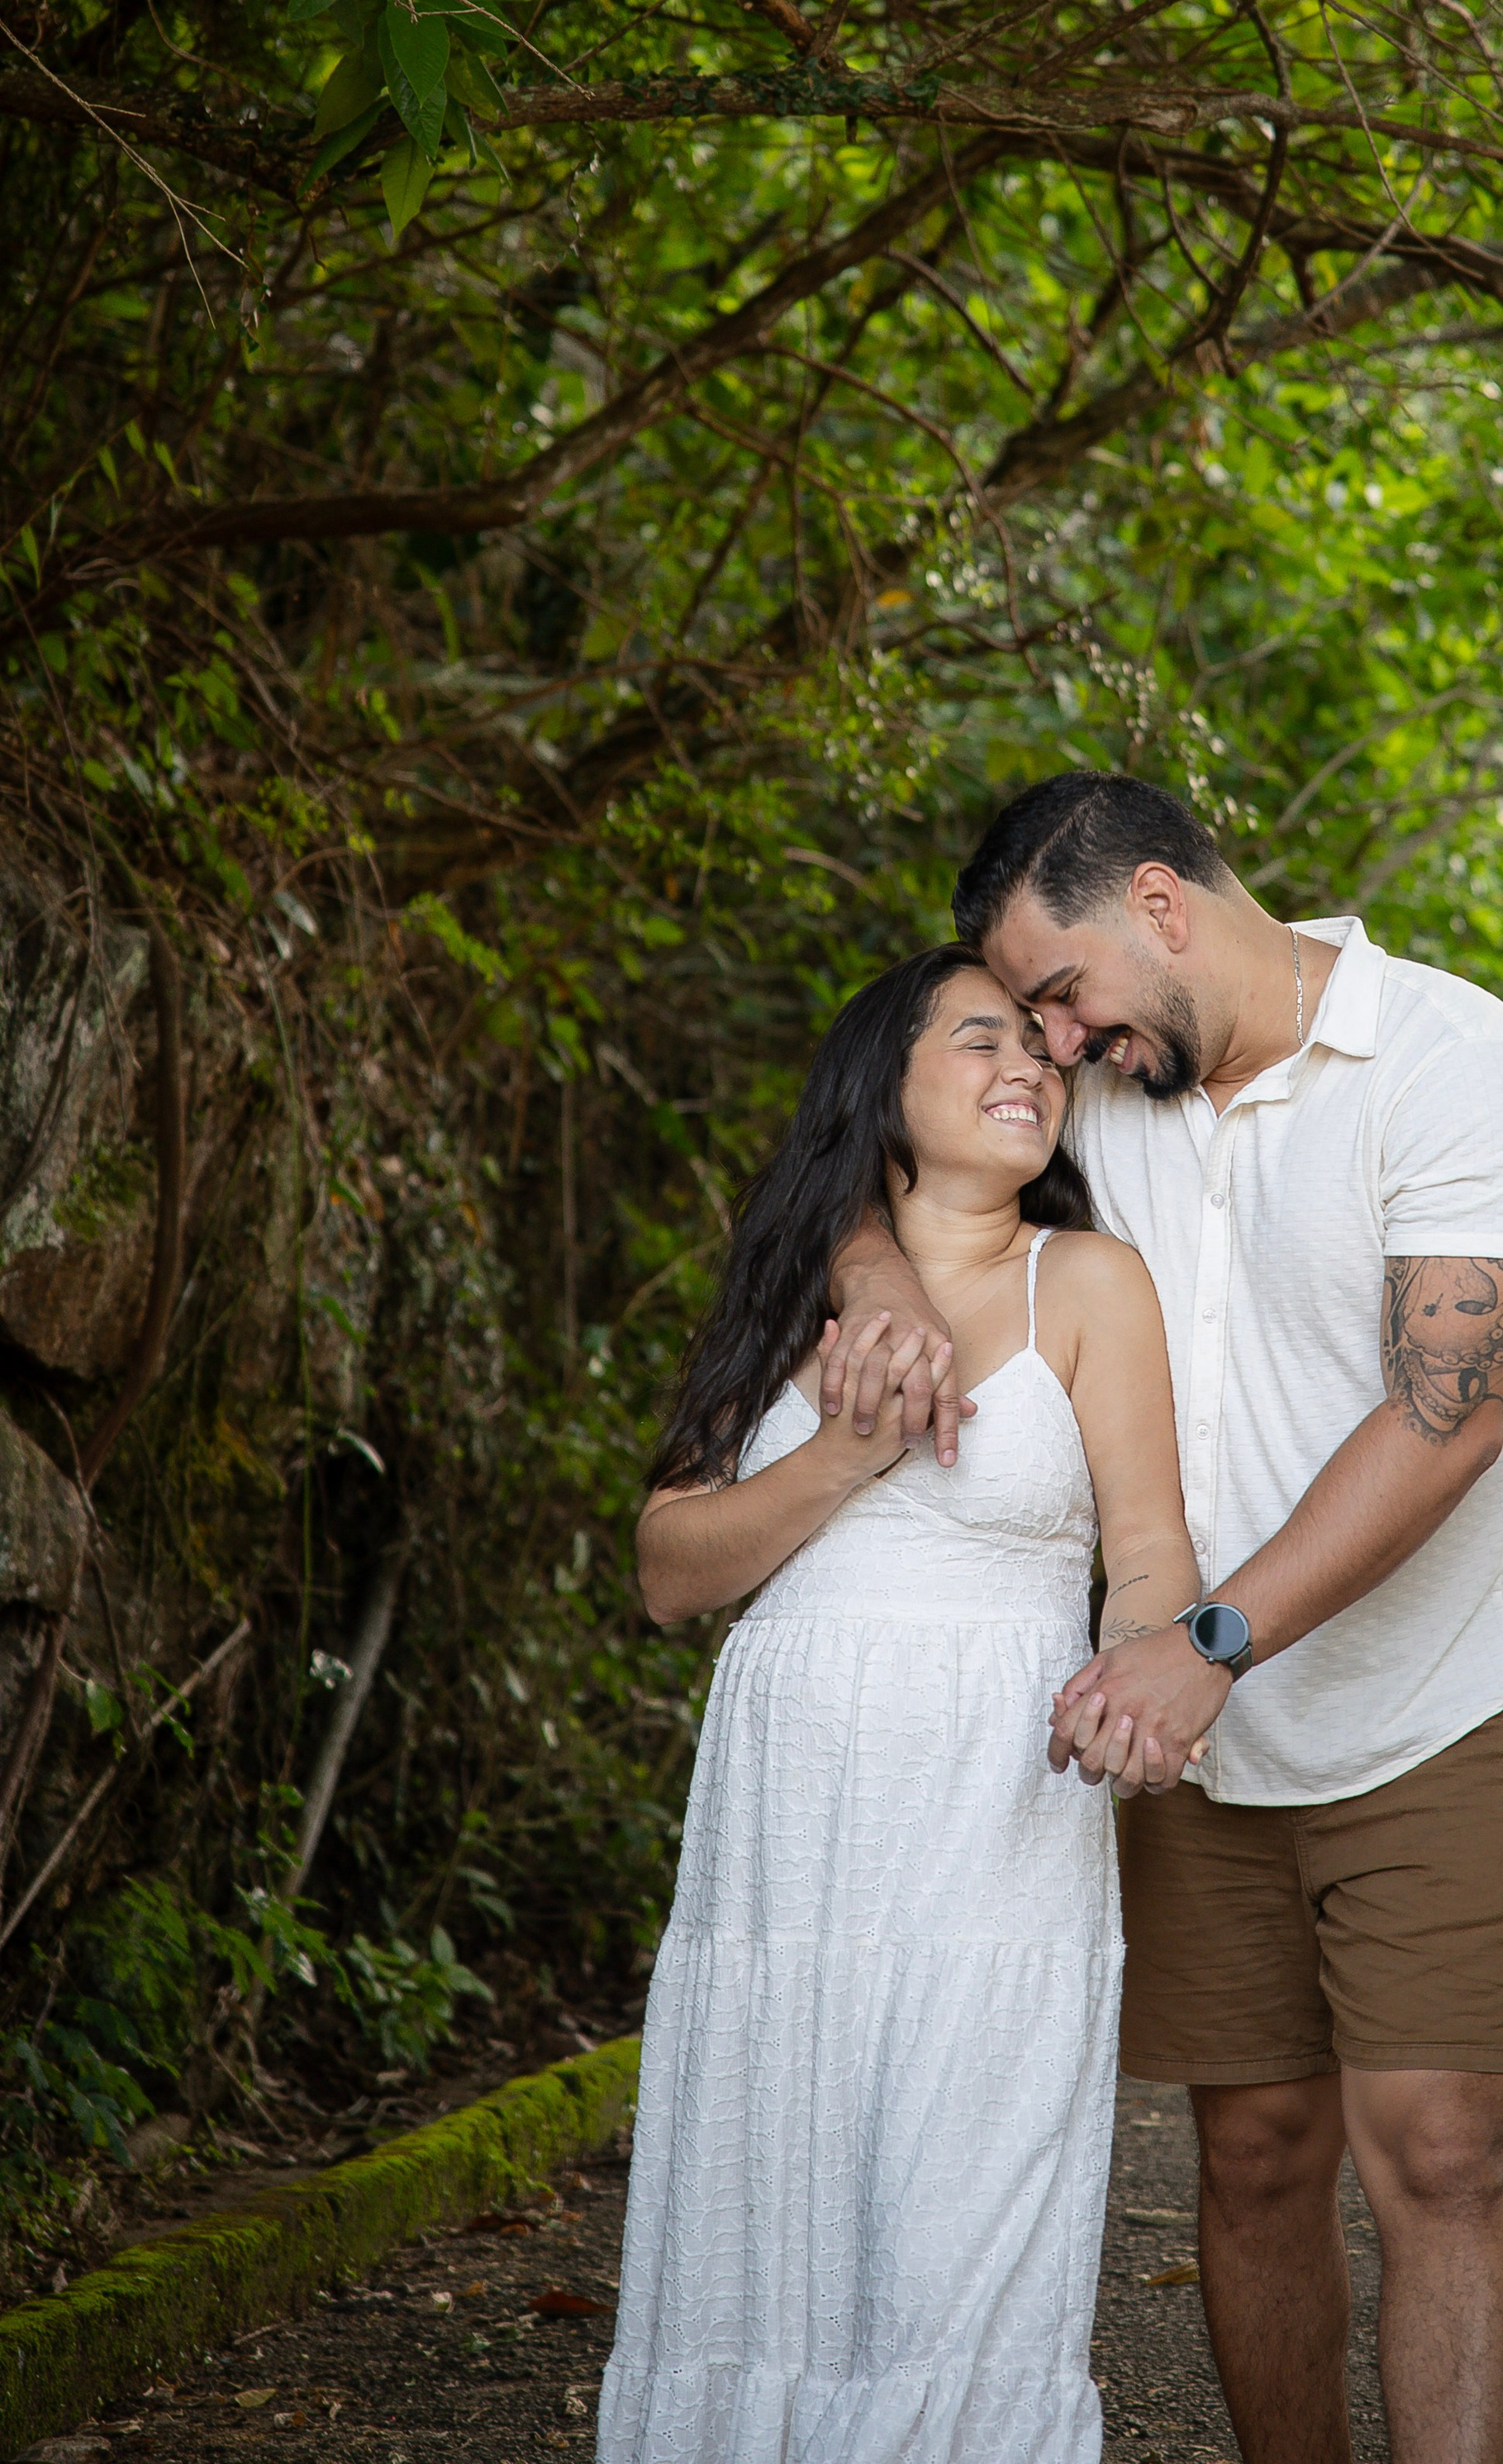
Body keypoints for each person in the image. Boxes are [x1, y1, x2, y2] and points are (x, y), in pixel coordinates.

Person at [829, 778, 1503, 2464]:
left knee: (1443, 2158)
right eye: (1024, 1015)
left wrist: (1205, 1645)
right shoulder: (1110, 1097)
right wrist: (879, 1285)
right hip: (1192, 1744)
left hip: (1439, 1709)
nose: (1047, 1040)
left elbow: (1443, 1418)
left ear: (1159, 906)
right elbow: (874, 1164)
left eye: (1058, 990)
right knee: (1250, 2158)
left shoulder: (1462, 1071)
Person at [598, 942, 1198, 2464]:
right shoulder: (797, 1281)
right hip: (791, 1836)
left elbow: (1146, 1558)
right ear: (883, 1086)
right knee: (770, 2210)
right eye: (979, 1040)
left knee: (965, 2218)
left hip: (992, 1817)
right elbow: (670, 1569)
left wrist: (1142, 1681)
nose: (1029, 1067)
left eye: (1043, 1050)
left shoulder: (1089, 1282)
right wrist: (847, 1453)